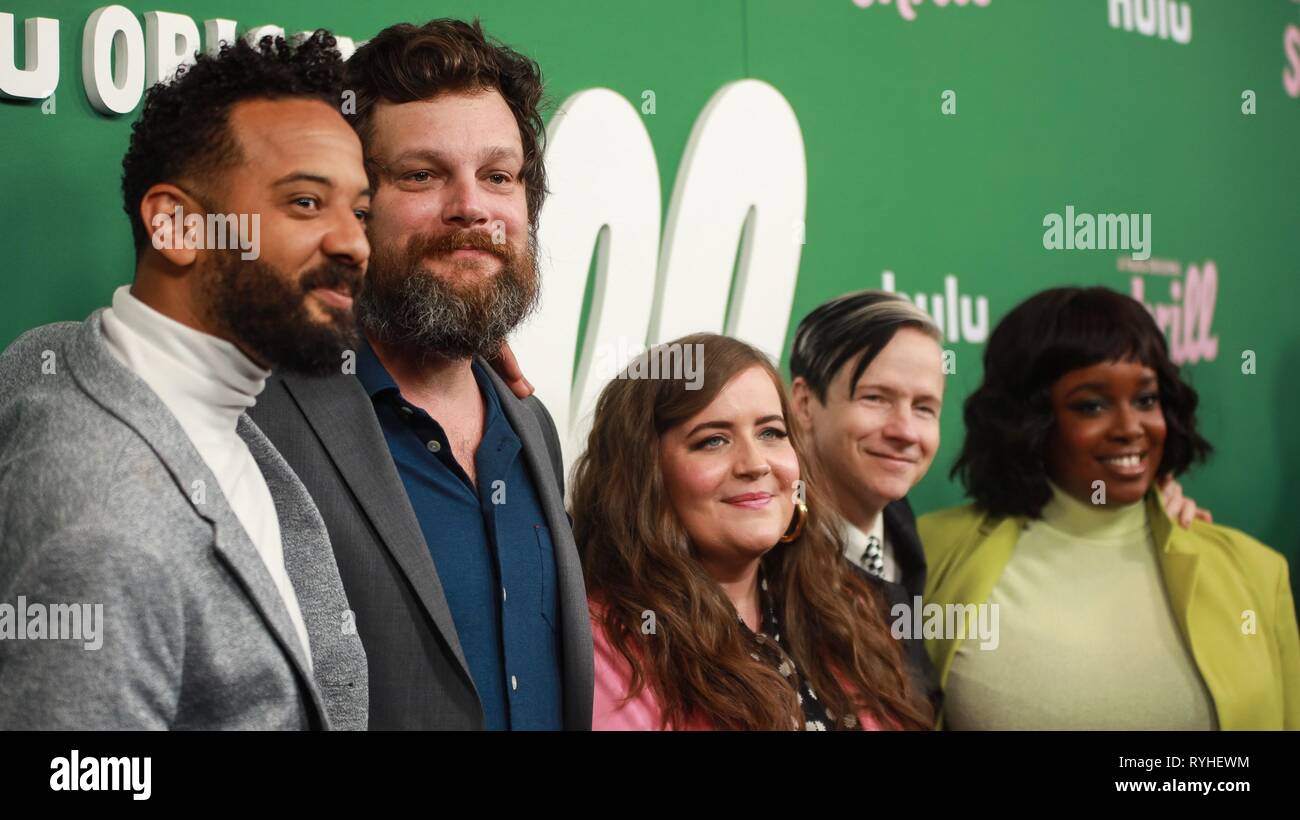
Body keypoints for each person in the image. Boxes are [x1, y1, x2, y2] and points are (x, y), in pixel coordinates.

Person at [0, 33, 370, 729]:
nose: (354, 242)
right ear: (175, 225)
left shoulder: (84, 364)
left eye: (359, 211)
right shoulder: (99, 509)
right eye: (304, 203)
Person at [248, 18, 592, 730]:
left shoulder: (531, 428)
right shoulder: (259, 419)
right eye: (422, 175)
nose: (471, 207)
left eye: (499, 176)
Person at [919, 286, 1300, 729]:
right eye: (1092, 405)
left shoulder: (1256, 573)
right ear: (1028, 420)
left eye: (1146, 399)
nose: (1130, 428)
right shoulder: (929, 554)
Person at [572, 333, 933, 730]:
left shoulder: (847, 608)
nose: (755, 463)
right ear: (645, 475)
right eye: (713, 440)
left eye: (771, 433)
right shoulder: (607, 642)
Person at [789, 290, 946, 704]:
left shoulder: (902, 525)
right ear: (804, 404)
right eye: (876, 398)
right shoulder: (759, 558)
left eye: (925, 408)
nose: (905, 431)